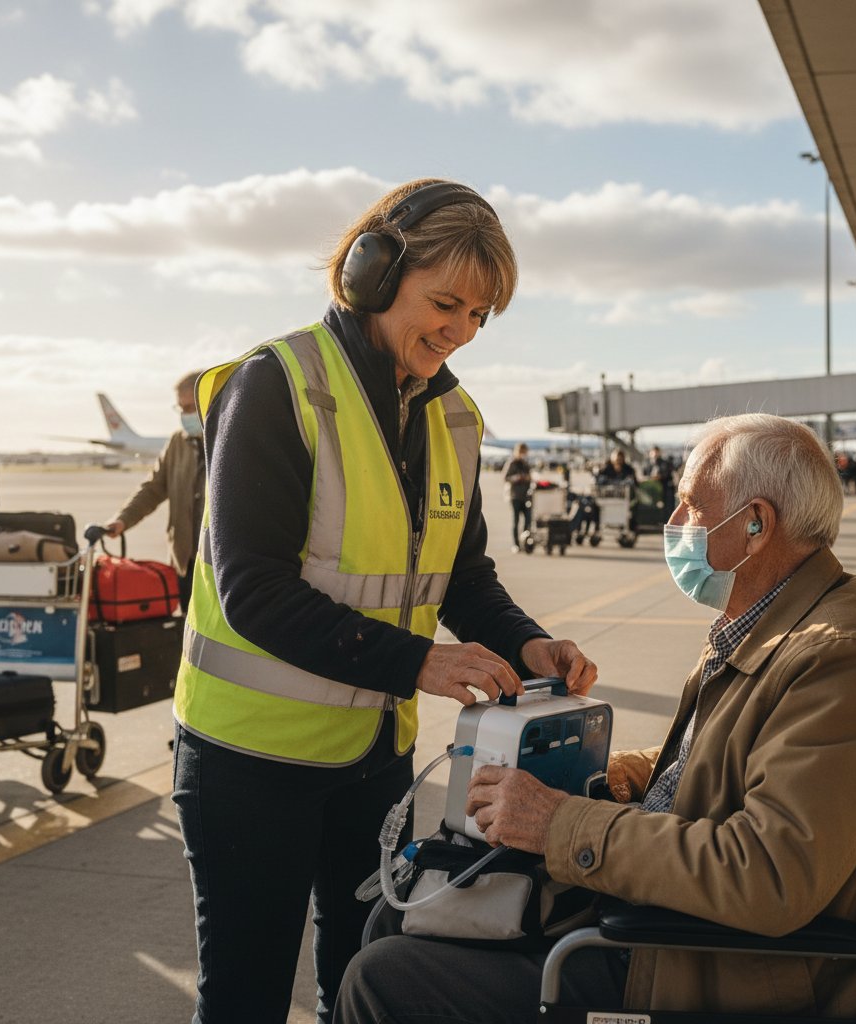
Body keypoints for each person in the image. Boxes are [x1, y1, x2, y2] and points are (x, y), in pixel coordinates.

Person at [336, 412, 856, 1023]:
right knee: (404, 910)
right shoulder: (772, 627)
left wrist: (562, 824)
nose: (673, 525)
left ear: (756, 523)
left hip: (706, 970)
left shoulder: (844, 661)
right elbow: (728, 759)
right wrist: (622, 771)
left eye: (690, 506)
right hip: (675, 931)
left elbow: (770, 875)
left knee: (382, 977)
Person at [171, 179, 597, 1024]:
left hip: (373, 763)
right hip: (250, 761)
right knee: (245, 1000)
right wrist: (420, 662)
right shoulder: (278, 384)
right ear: (370, 271)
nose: (461, 331)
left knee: (365, 988)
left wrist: (528, 646)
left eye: (480, 316)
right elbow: (253, 591)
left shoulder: (457, 419)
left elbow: (463, 580)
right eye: (446, 303)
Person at [104, 370, 205, 614]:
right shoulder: (177, 443)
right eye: (180, 408)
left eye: (191, 407)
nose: (185, 415)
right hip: (185, 559)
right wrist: (123, 520)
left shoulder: (231, 440)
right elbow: (153, 488)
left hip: (219, 562)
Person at [502, 442, 533, 551]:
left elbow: (530, 477)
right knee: (516, 521)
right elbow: (505, 477)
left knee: (528, 520)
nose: (523, 454)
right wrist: (516, 478)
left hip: (526, 496)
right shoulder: (512, 463)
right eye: (522, 452)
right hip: (515, 496)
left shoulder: (526, 464)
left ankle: (525, 540)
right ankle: (516, 544)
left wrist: (527, 478)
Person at [641, 444, 674, 522]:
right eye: (653, 452)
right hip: (650, 487)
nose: (655, 454)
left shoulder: (664, 463)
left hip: (664, 486)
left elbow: (665, 474)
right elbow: (643, 475)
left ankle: (666, 519)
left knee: (668, 497)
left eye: (656, 452)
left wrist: (657, 477)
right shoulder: (646, 463)